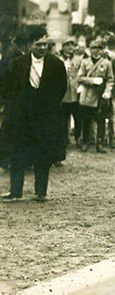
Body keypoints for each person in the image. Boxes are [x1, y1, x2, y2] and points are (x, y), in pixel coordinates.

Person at [0, 25, 67, 201]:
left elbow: (61, 89)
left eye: (45, 44)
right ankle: (15, 192)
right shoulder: (17, 65)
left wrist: (46, 106)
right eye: (38, 44)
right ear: (30, 45)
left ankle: (41, 192)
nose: (43, 48)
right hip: (21, 118)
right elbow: (7, 89)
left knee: (42, 155)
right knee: (18, 154)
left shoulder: (56, 65)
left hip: (44, 117)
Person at [77, 40, 114, 153]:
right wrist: (92, 80)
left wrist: (108, 91)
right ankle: (85, 142)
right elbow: (79, 78)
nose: (96, 50)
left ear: (101, 50)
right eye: (93, 48)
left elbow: (110, 79)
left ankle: (100, 143)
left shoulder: (107, 63)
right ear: (90, 49)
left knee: (101, 120)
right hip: (88, 95)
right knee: (86, 120)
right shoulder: (85, 62)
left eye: (98, 48)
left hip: (100, 95)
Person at [59, 37, 83, 149]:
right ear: (63, 47)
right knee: (63, 119)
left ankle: (78, 138)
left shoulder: (78, 59)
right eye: (67, 45)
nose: (70, 47)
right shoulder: (58, 59)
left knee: (78, 117)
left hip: (76, 92)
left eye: (72, 45)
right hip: (63, 94)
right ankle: (64, 140)